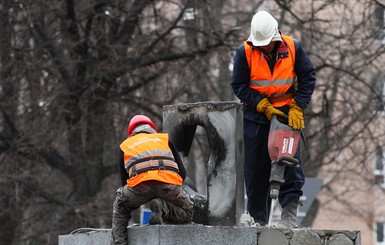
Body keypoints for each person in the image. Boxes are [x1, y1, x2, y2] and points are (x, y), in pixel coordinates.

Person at [231, 10, 316, 228]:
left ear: (276, 36)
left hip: (287, 113)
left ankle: (288, 219)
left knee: (289, 163)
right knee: (255, 169)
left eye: (267, 43)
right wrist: (261, 104)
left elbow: (308, 77)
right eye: (261, 44)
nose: (264, 47)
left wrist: (298, 106)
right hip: (256, 115)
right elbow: (239, 85)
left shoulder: (293, 47)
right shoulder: (245, 52)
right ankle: (259, 222)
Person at [111, 115, 194, 245]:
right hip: (168, 187)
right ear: (152, 128)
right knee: (188, 211)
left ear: (131, 132)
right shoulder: (164, 140)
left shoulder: (125, 145)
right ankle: (162, 208)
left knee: (121, 205)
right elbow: (182, 174)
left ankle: (119, 243)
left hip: (141, 188)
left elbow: (125, 182)